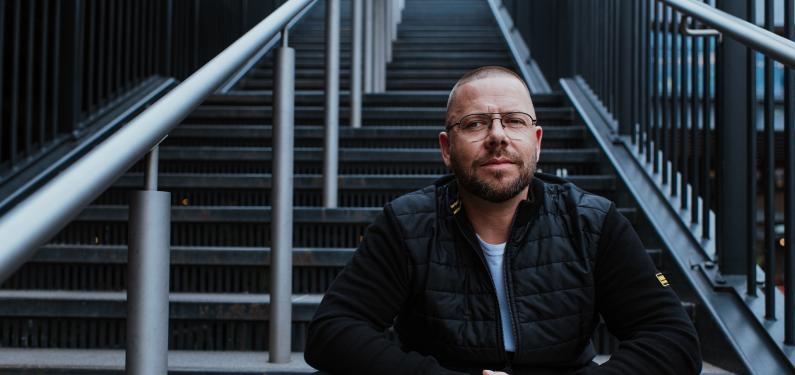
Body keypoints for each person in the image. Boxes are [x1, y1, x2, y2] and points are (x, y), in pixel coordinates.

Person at [304, 66, 702, 375]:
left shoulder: (592, 222)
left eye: (514, 121)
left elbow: (672, 338)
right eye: (475, 123)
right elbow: (333, 331)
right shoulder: (407, 223)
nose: (498, 136)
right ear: (446, 148)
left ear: (537, 141)